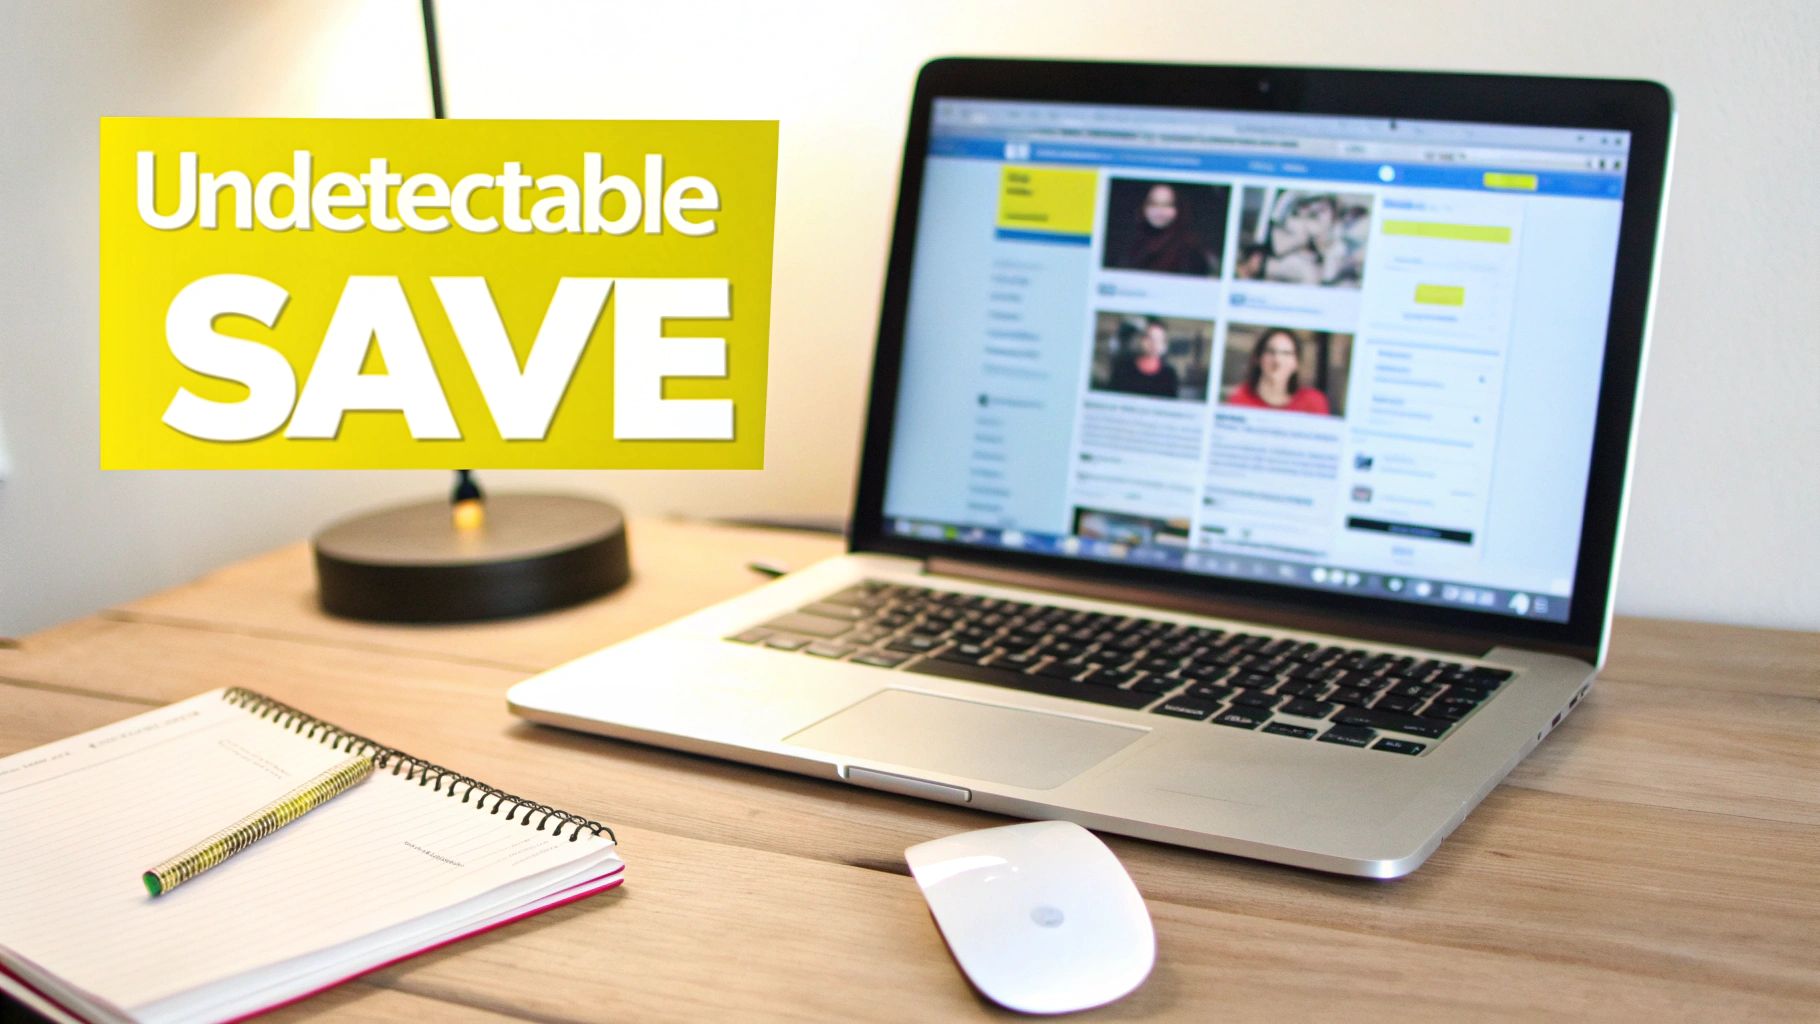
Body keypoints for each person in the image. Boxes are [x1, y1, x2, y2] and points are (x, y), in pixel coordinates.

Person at [1225, 327, 1332, 415]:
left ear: (1297, 363)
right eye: (1271, 351)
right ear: (1258, 358)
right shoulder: (1240, 399)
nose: (1278, 361)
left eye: (1287, 353)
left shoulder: (1313, 402)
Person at [1118, 183, 1214, 276]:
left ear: (1179, 208)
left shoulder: (1191, 251)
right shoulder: (1132, 246)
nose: (1159, 211)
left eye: (1168, 204)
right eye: (1153, 204)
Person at [1106, 318, 1181, 398]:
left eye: (1159, 340)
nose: (1154, 344)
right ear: (1141, 339)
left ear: (1164, 344)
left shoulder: (1169, 374)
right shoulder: (1123, 368)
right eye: (1149, 338)